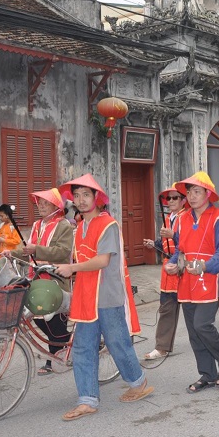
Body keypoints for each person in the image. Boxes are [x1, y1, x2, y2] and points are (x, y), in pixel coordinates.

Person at [55, 174, 152, 421]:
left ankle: (138, 382)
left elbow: (102, 260)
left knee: (117, 342)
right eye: (76, 195)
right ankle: (87, 399)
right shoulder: (78, 228)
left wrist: (72, 269)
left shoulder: (107, 224)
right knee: (83, 347)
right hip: (85, 296)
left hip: (107, 294)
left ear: (97, 198)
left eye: (86, 195)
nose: (80, 200)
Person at [165, 171, 219, 393]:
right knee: (194, 332)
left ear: (208, 194)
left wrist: (204, 266)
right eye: (189, 192)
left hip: (210, 279)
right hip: (187, 281)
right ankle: (207, 374)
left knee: (202, 325)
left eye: (197, 191)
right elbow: (180, 248)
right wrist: (174, 262)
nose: (192, 196)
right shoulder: (183, 218)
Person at [5, 187, 73, 375]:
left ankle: (56, 356)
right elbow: (27, 250)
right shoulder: (37, 225)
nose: (41, 206)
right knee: (40, 319)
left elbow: (63, 252)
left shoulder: (64, 225)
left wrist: (37, 250)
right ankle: (62, 347)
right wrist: (13, 253)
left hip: (56, 279)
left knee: (54, 321)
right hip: (35, 278)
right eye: (40, 203)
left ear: (55, 206)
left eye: (46, 203)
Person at [143, 186, 187, 360]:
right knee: (167, 307)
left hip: (184, 266)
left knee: (193, 310)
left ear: (183, 200)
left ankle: (203, 341)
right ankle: (162, 346)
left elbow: (187, 243)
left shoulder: (187, 218)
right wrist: (153, 244)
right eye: (168, 199)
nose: (170, 202)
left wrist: (173, 234)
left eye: (175, 198)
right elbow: (165, 244)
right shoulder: (168, 218)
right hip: (168, 267)